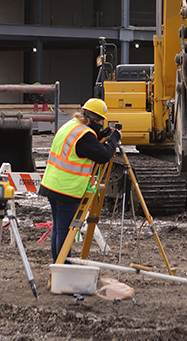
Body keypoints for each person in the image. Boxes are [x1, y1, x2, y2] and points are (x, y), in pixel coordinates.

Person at [39, 98, 121, 263]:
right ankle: (63, 268)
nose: (101, 125)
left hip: (52, 185)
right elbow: (103, 155)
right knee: (64, 231)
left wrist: (102, 135)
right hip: (67, 189)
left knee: (58, 229)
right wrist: (114, 139)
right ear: (93, 119)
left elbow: (84, 143)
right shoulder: (85, 136)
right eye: (100, 122)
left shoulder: (71, 126)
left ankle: (59, 266)